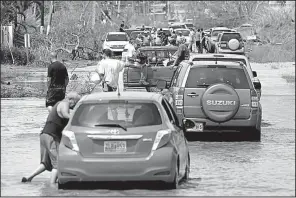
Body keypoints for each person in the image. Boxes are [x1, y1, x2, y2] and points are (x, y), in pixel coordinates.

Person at [21, 92, 81, 184]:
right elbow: (65, 115)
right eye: (76, 103)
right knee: (58, 163)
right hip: (51, 136)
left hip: (44, 135)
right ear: (71, 100)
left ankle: (29, 177)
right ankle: (52, 186)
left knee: (46, 163)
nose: (75, 106)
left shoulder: (57, 104)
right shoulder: (64, 103)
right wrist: (78, 119)